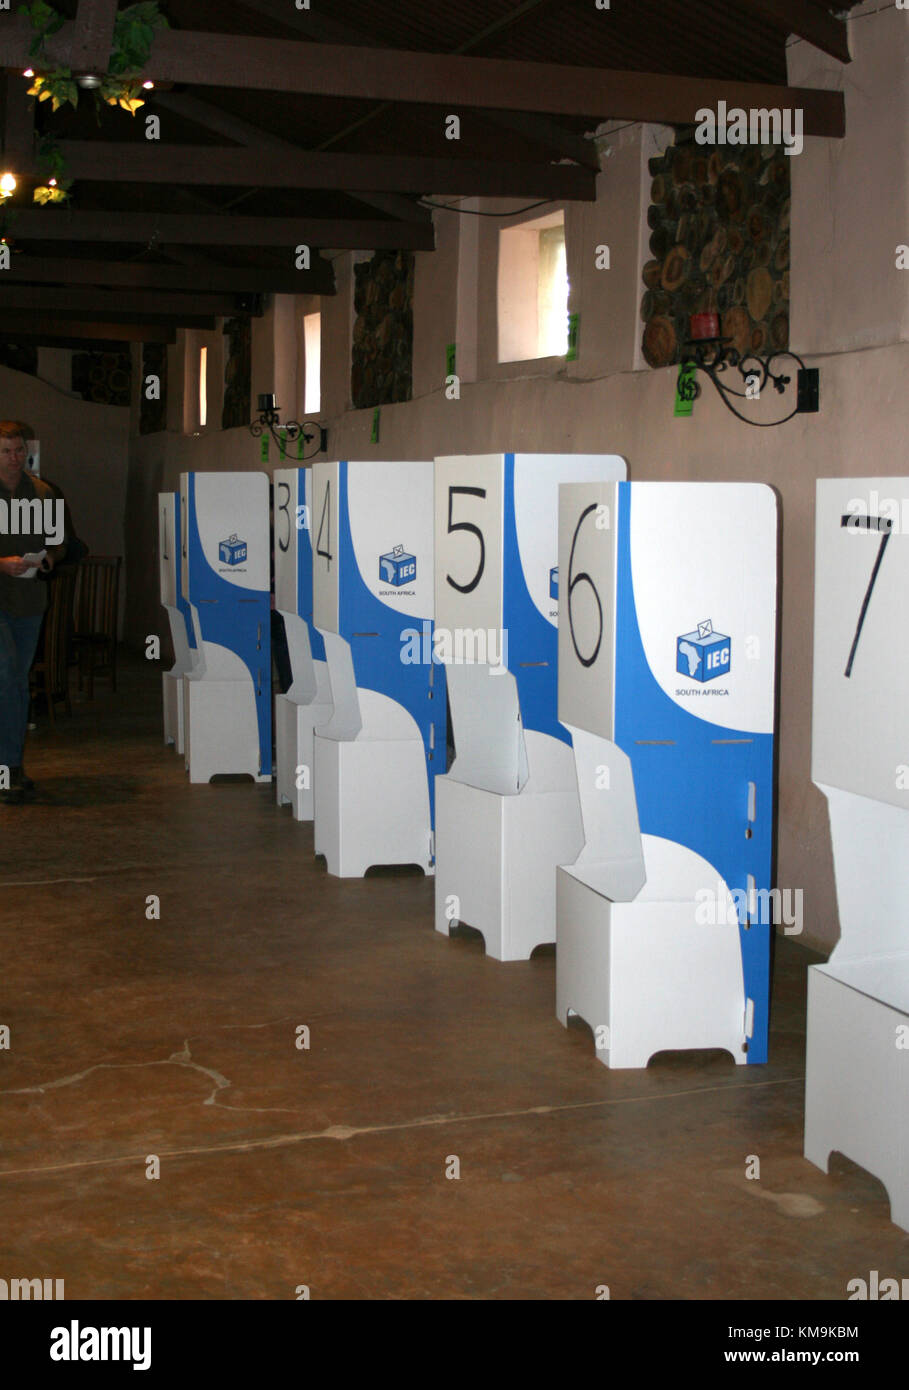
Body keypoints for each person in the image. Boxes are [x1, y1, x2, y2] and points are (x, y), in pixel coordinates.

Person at [0, 422, 67, 805]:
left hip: (29, 602)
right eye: (6, 451)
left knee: (16, 682)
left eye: (18, 450)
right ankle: (6, 768)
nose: (14, 458)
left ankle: (12, 764)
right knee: (7, 673)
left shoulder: (42, 494)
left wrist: (47, 560)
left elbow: (62, 544)